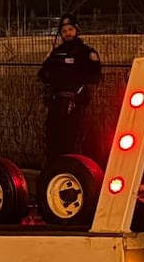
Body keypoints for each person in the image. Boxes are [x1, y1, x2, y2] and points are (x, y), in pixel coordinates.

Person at [38, 13, 102, 162]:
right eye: (64, 30)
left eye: (70, 29)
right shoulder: (56, 52)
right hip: (56, 102)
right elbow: (42, 74)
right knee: (53, 138)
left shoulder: (86, 52)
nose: (67, 33)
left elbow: (95, 76)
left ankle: (72, 167)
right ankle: (54, 168)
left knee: (72, 138)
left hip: (76, 103)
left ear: (77, 30)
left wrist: (74, 81)